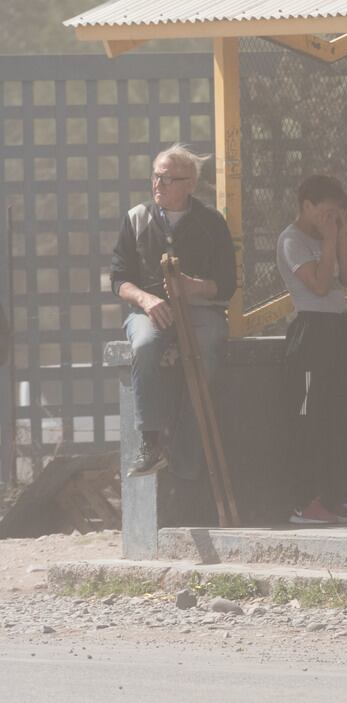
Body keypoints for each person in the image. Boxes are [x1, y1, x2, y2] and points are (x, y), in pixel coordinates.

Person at [111, 144, 236, 478]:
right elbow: (119, 280)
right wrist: (147, 300)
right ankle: (150, 441)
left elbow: (226, 284)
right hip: (151, 309)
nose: (158, 184)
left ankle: (185, 449)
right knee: (144, 346)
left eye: (168, 178)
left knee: (209, 348)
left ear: (190, 183)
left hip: (200, 310)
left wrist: (192, 286)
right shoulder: (136, 219)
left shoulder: (212, 222)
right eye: (156, 176)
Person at [276, 175, 347, 525]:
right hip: (310, 331)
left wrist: (339, 237)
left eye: (339, 214)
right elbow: (318, 285)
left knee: (341, 414)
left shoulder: (331, 237)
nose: (331, 219)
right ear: (307, 206)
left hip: (337, 329)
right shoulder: (291, 240)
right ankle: (305, 499)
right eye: (327, 212)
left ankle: (341, 494)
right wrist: (329, 241)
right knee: (308, 415)